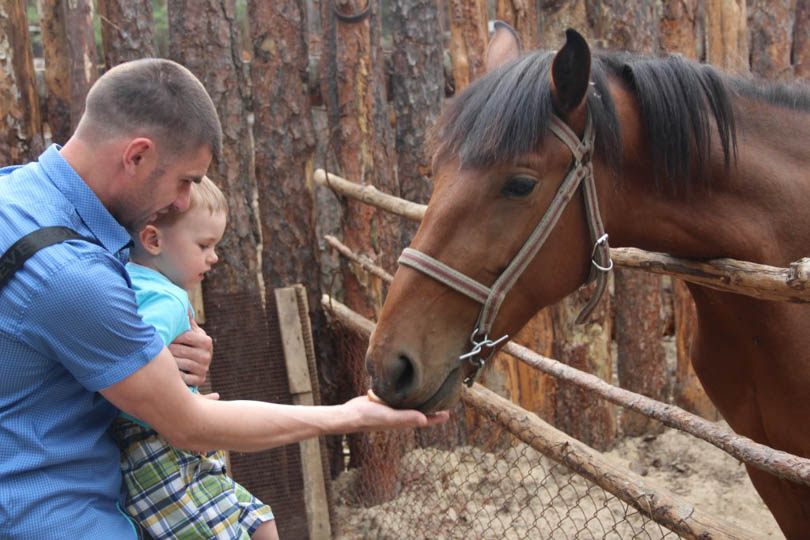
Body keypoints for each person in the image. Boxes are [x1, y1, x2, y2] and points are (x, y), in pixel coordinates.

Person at [0, 58, 449, 539]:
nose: (182, 203)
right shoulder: (72, 274)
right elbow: (190, 425)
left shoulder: (16, 191)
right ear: (137, 156)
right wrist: (350, 415)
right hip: (53, 514)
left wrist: (148, 354)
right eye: (185, 180)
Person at [111, 176, 277, 539]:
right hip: (160, 447)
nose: (213, 257)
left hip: (169, 442)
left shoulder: (122, 280)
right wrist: (191, 412)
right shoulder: (166, 298)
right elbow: (135, 376)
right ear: (153, 240)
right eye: (204, 245)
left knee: (259, 520)